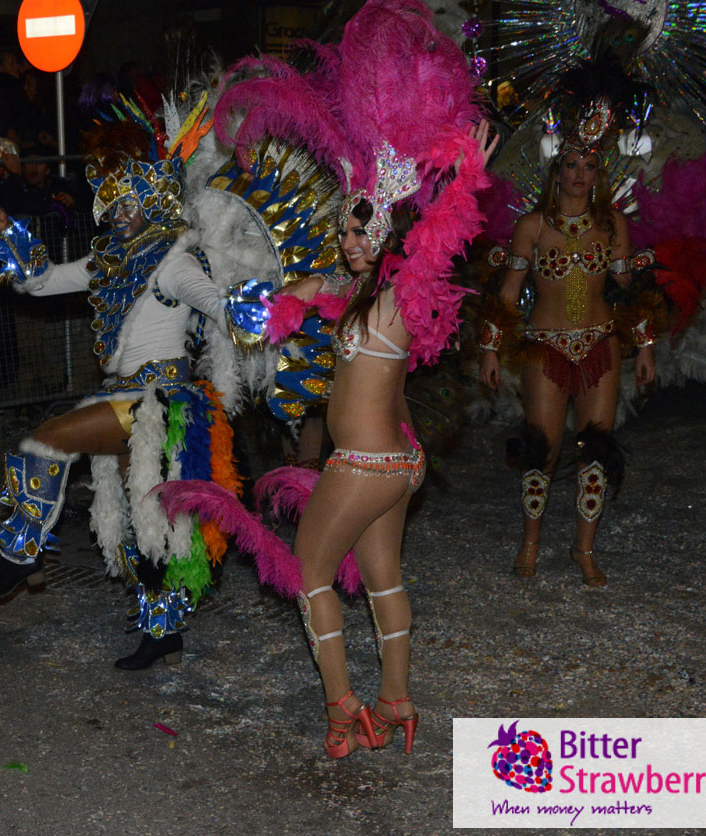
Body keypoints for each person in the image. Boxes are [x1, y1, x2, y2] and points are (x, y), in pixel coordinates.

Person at [216, 0, 495, 758]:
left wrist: (464, 178)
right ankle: (397, 701)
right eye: (342, 222)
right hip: (396, 463)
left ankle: (342, 708)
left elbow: (432, 250)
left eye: (357, 223)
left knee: (310, 574)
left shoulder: (403, 299)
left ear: (387, 231)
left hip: (367, 464)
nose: (344, 235)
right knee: (382, 579)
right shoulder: (360, 302)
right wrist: (281, 300)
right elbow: (310, 295)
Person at [0, 118, 240, 670]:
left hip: (159, 402)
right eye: (111, 202)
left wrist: (256, 304)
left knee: (43, 444)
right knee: (146, 527)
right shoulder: (110, 262)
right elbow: (40, 280)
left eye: (129, 201)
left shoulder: (174, 262)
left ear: (154, 198)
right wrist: (5, 228)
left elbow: (219, 305)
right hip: (126, 401)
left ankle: (22, 553)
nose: (118, 212)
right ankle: (163, 631)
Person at [479, 101, 656, 587]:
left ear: (600, 172)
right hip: (544, 347)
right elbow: (509, 294)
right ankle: (531, 542)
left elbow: (626, 289)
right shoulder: (532, 227)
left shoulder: (613, 225)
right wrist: (490, 348)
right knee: (544, 448)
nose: (581, 174)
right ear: (556, 170)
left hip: (600, 344)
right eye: (572, 164)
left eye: (591, 165)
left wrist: (644, 344)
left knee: (596, 447)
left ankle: (584, 549)